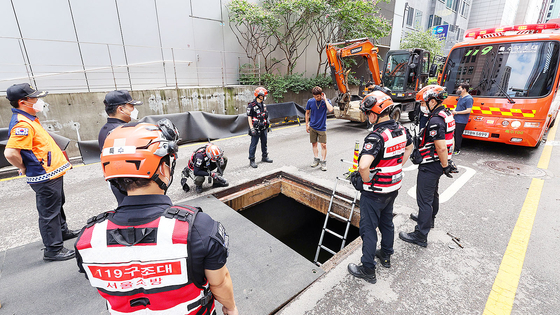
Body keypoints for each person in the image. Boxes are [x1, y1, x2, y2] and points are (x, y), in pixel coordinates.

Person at [75, 120, 238, 315]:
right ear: (162, 169)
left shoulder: (87, 239)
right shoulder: (198, 228)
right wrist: (230, 307)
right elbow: (220, 282)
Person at [3, 83, 79, 261]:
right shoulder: (22, 124)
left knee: (57, 204)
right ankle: (53, 249)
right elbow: (10, 152)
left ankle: (62, 232)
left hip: (52, 173)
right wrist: (23, 167)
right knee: (49, 212)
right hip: (44, 176)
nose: (38, 101)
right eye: (34, 98)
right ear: (23, 102)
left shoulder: (30, 119)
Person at [347, 91, 413, 284]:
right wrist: (397, 166)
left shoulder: (376, 137)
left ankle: (367, 268)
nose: (367, 116)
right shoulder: (401, 129)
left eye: (368, 113)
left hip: (374, 192)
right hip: (393, 188)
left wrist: (366, 181)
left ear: (375, 114)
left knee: (368, 230)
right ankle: (385, 255)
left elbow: (363, 165)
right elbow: (409, 147)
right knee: (386, 223)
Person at [400, 85, 456, 247]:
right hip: (437, 163)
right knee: (433, 193)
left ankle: (420, 234)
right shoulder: (446, 113)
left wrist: (445, 165)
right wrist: (446, 163)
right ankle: (429, 219)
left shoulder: (436, 120)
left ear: (432, 101)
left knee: (424, 199)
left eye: (425, 102)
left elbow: (441, 146)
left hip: (431, 163)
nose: (423, 105)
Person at [98, 90, 143, 204]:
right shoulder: (122, 132)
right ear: (120, 109)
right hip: (130, 185)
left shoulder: (105, 129)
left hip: (117, 183)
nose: (134, 109)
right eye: (131, 106)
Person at [306, 86, 334, 171]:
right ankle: (316, 159)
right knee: (314, 143)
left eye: (317, 96)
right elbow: (307, 113)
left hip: (322, 127)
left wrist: (325, 99)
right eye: (314, 96)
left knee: (323, 145)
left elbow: (330, 109)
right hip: (313, 126)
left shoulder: (326, 101)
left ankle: (323, 162)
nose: (316, 98)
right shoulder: (310, 101)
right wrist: (307, 124)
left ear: (321, 94)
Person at [247, 87, 273, 168]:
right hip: (256, 128)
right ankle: (252, 160)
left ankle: (264, 157)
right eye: (264, 95)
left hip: (264, 128)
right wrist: (251, 128)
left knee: (264, 143)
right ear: (259, 96)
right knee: (253, 144)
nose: (265, 96)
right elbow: (249, 117)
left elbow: (265, 115)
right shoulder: (251, 105)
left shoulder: (263, 104)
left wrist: (268, 125)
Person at [451, 83, 473, 155]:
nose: (458, 90)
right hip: (456, 119)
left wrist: (456, 112)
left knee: (458, 135)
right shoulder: (461, 97)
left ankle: (457, 149)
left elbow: (468, 110)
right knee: (453, 134)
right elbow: (458, 107)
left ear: (464, 89)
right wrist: (453, 110)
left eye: (459, 88)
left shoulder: (469, 98)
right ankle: (453, 147)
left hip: (461, 120)